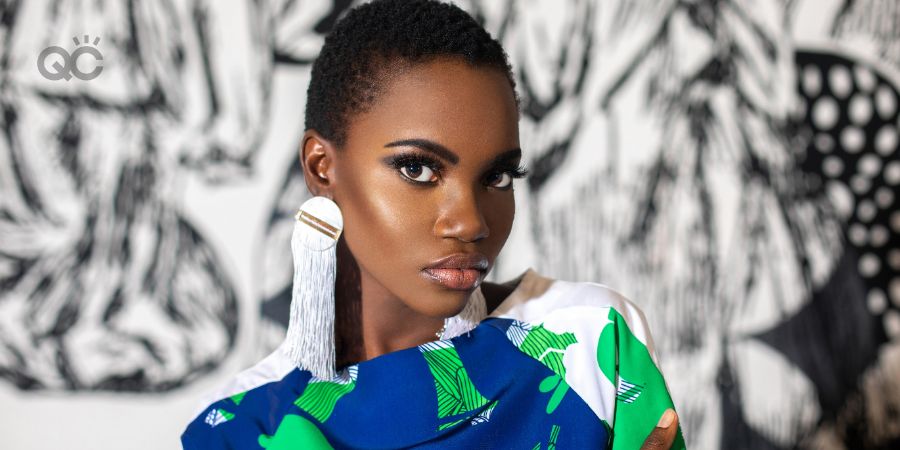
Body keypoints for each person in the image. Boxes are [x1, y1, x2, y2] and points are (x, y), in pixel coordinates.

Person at [181, 1, 685, 448]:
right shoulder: (236, 428)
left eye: (498, 175)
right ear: (321, 167)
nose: (470, 222)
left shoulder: (590, 341)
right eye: (417, 168)